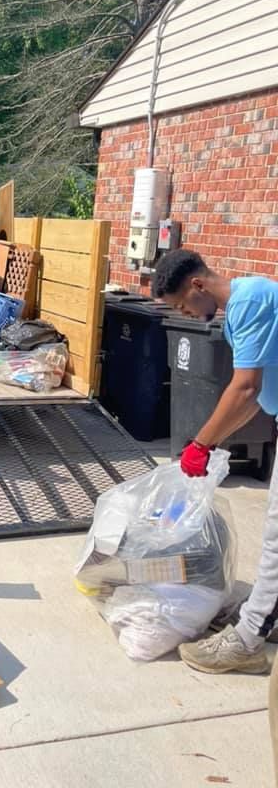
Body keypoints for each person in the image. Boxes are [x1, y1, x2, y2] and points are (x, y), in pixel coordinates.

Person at [152, 248, 278, 674]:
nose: (186, 313)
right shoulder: (247, 302)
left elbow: (244, 389)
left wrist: (201, 445)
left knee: (277, 541)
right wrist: (209, 443)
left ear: (197, 285)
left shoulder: (249, 303)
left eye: (183, 305)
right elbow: (252, 399)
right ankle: (266, 614)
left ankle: (247, 640)